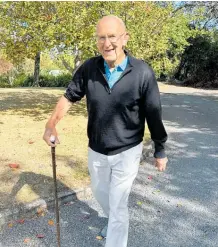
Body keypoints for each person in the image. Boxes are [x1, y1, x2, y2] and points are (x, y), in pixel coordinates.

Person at [43, 15, 168, 247]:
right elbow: (69, 97)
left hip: (128, 150)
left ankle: (116, 236)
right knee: (101, 193)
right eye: (101, 37)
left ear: (125, 38)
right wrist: (51, 124)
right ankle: (113, 220)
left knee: (119, 203)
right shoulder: (90, 68)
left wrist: (160, 149)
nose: (107, 43)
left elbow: (153, 113)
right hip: (97, 149)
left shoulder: (142, 72)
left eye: (112, 36)